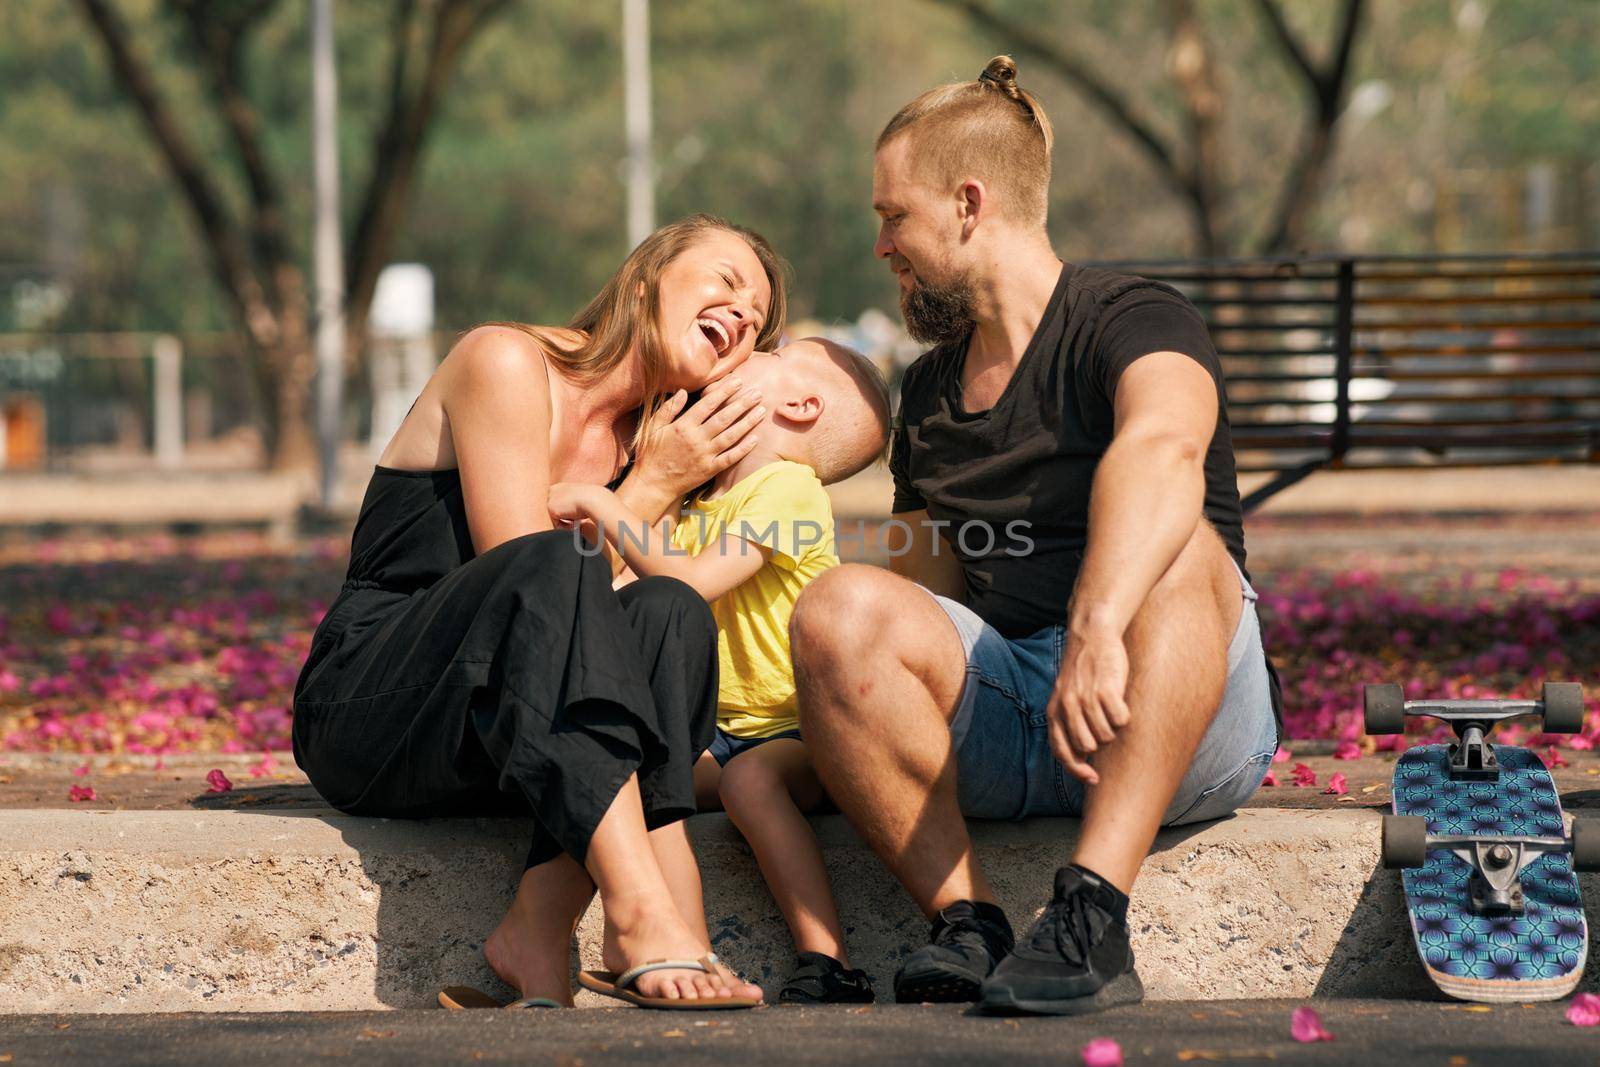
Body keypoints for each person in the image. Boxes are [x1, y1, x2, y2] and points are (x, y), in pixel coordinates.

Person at [790, 57, 1284, 1016]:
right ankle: (968, 922)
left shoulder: (1133, 319)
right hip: (1026, 709)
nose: (883, 244)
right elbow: (927, 604)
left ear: (968, 203)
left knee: (1185, 547)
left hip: (1183, 717)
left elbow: (1165, 449)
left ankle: (1093, 912)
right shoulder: (929, 393)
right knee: (842, 606)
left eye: (894, 215)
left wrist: (1099, 625)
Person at [293, 214, 787, 1009]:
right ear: (641, 280)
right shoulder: (506, 359)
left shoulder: (659, 442)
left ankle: (538, 928)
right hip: (374, 710)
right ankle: (638, 910)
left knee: (671, 610)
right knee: (557, 561)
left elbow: (607, 633)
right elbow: (526, 579)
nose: (741, 315)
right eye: (726, 284)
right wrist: (651, 488)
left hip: (505, 742)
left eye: (756, 318)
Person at [547, 337, 891, 1004]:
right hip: (720, 731)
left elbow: (688, 581)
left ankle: (829, 958)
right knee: (645, 772)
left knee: (754, 783)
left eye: (777, 349)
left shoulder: (789, 490)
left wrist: (601, 501)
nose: (753, 347)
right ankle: (677, 940)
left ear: (800, 402)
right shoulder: (702, 502)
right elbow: (630, 593)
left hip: (800, 731)